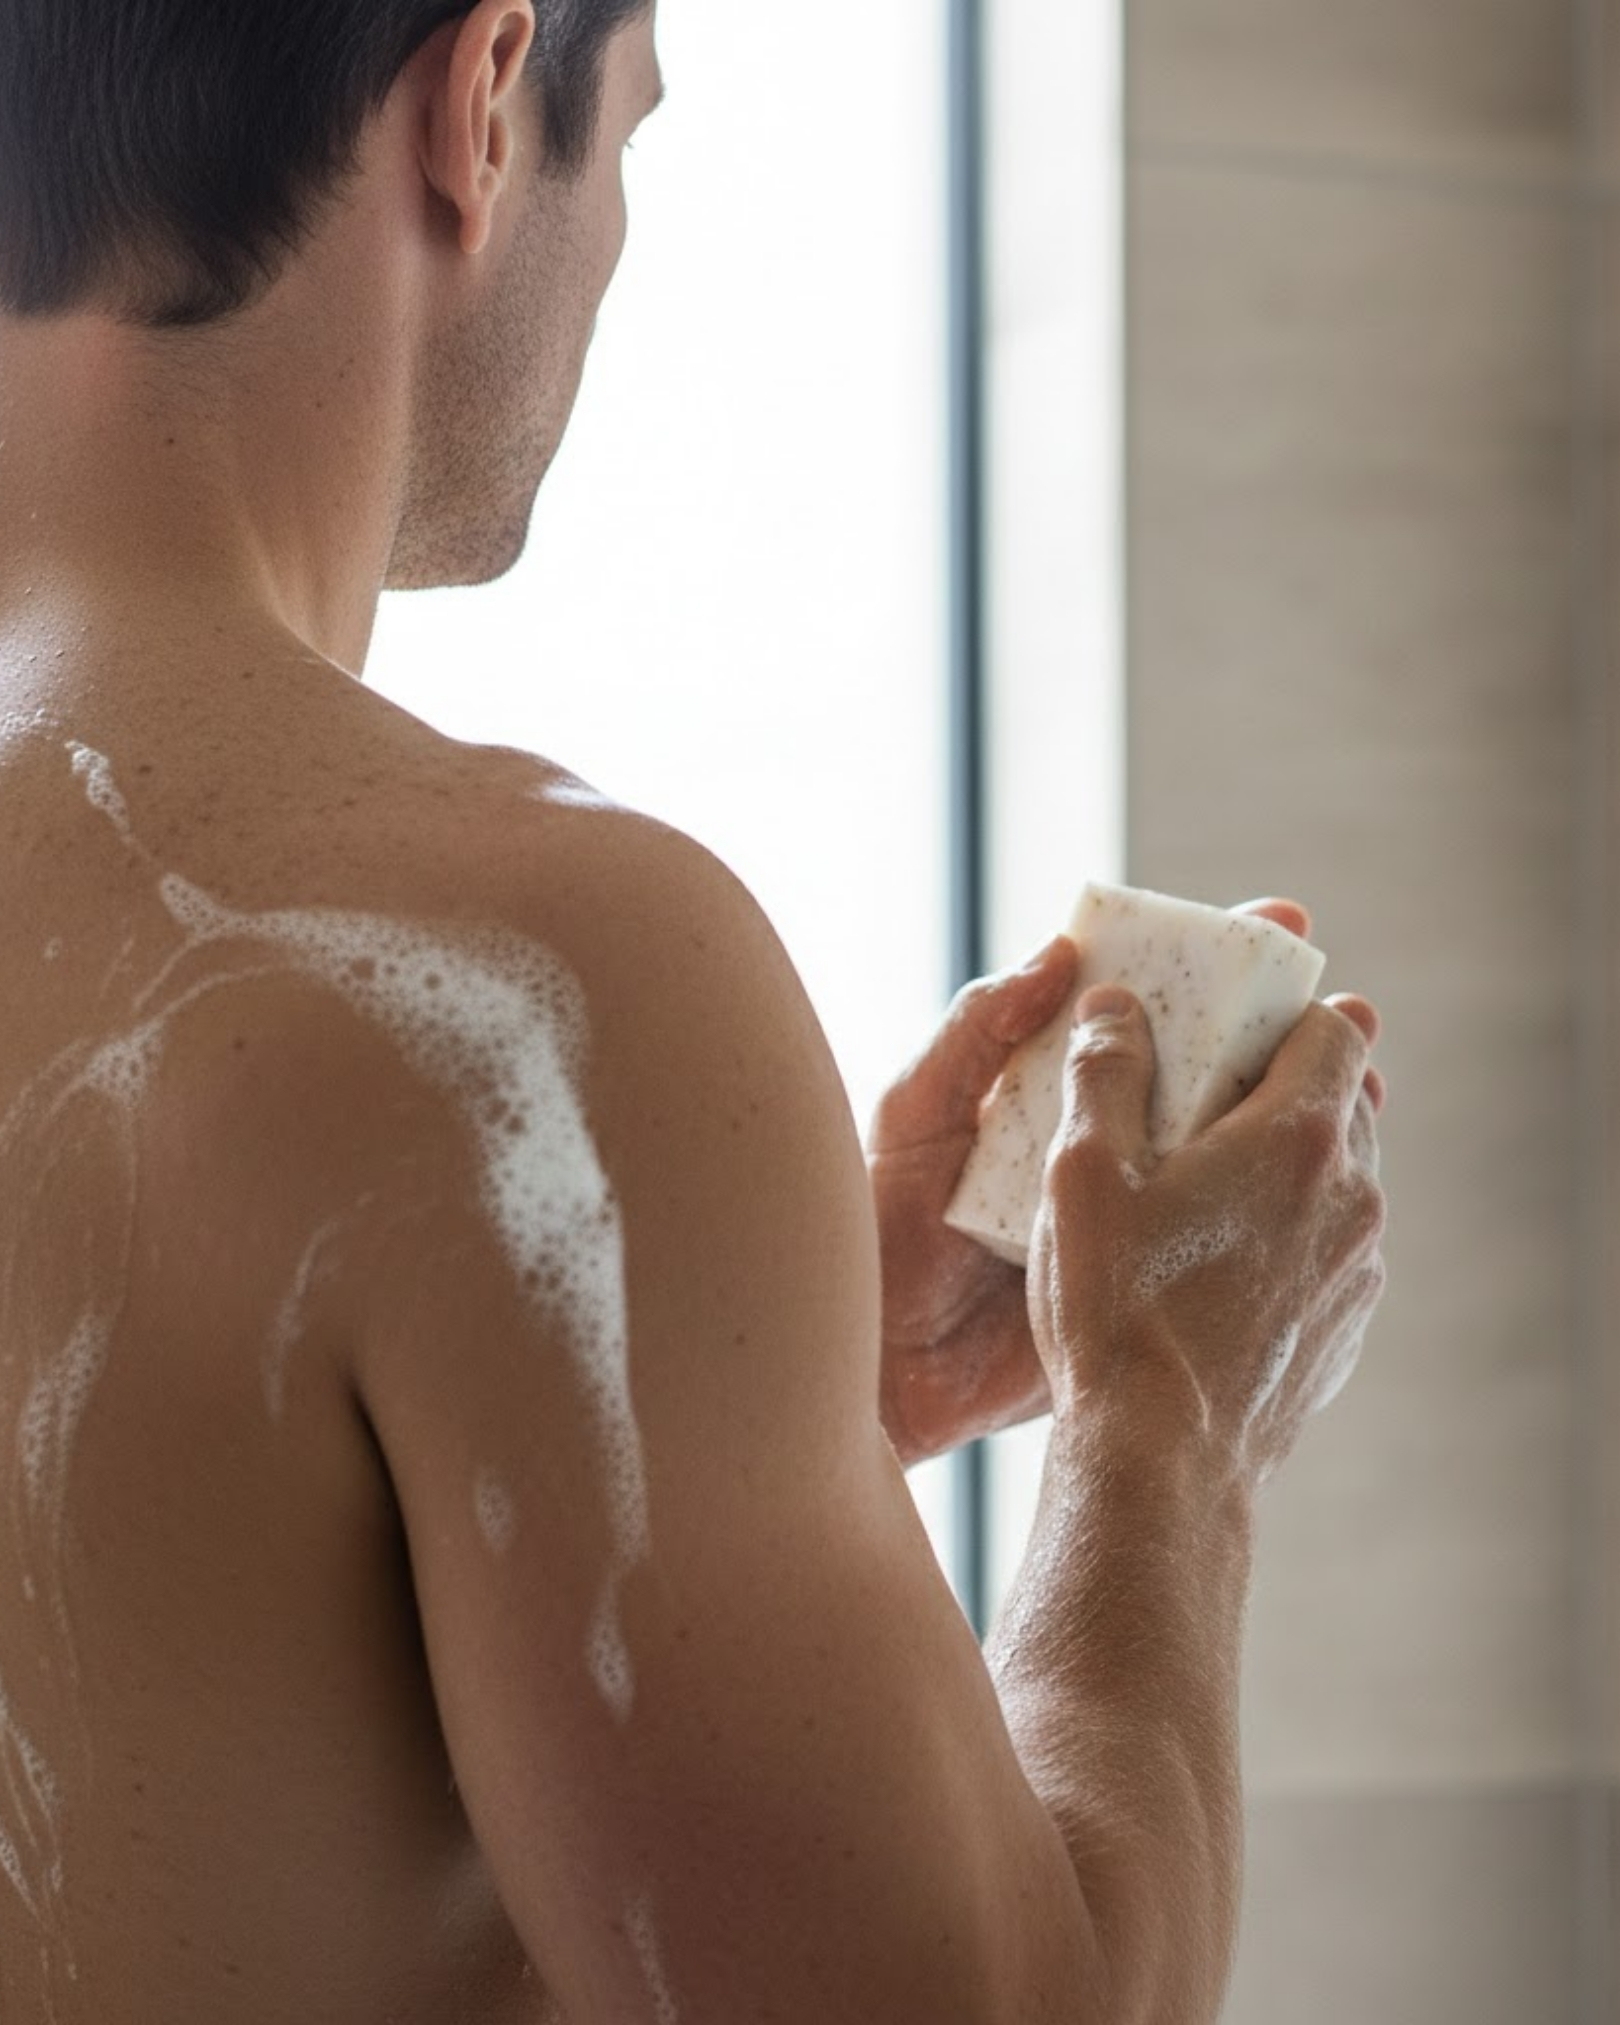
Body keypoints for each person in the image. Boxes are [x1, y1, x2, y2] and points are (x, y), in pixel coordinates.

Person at [0, 0, 1389, 2018]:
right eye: (626, 135)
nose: (620, 233)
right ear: (482, 99)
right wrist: (1172, 1428)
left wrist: (743, 1370)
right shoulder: (516, 981)